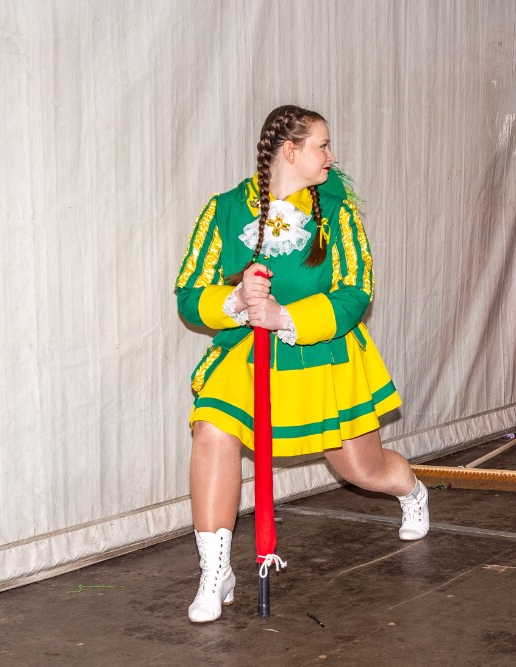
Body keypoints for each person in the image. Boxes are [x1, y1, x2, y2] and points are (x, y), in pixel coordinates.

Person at [175, 105, 428, 623]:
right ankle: (215, 572)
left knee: (361, 469)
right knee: (212, 430)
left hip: (321, 353)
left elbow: (357, 291)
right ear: (290, 151)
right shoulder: (224, 210)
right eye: (322, 145)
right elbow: (188, 293)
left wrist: (284, 315)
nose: (331, 156)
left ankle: (412, 490)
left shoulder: (337, 212)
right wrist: (235, 300)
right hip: (246, 353)